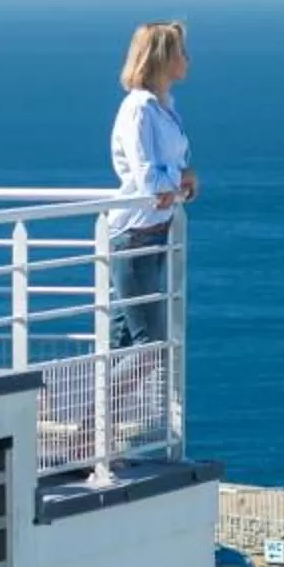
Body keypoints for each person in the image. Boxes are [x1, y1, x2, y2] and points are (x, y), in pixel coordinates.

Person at [109, 20, 197, 349]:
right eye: (181, 52)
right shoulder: (140, 109)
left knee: (123, 340)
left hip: (155, 231)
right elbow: (148, 176)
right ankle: (77, 401)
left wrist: (180, 178)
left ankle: (98, 401)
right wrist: (179, 182)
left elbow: (168, 169)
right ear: (162, 58)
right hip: (134, 236)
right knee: (152, 345)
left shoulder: (164, 107)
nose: (187, 59)